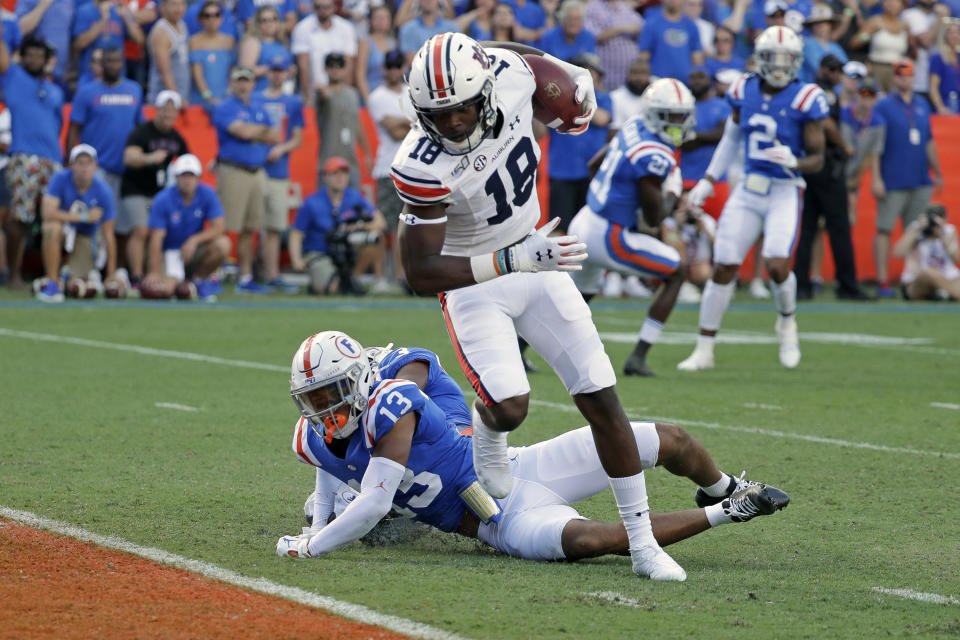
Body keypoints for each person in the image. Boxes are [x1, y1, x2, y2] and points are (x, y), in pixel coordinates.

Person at [392, 33, 686, 581]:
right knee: (509, 408)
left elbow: (512, 54)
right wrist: (512, 258)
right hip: (476, 280)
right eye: (439, 113)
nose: (453, 122)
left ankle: (643, 544)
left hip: (537, 257)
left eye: (461, 107)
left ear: (482, 88)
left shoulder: (507, 74)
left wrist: (571, 73)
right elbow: (419, 273)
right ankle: (488, 434)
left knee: (601, 398)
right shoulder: (419, 165)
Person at [275, 331, 791, 568]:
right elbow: (327, 462)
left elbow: (374, 500)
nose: (324, 410)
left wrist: (311, 545)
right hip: (493, 523)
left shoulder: (394, 400)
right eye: (313, 400)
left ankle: (721, 486)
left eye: (332, 394)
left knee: (665, 439)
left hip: (515, 467)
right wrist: (317, 522)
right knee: (594, 541)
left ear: (363, 379)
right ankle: (732, 510)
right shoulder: (313, 435)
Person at [680, 26, 828, 372]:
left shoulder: (806, 97)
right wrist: (707, 180)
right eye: (772, 59)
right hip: (748, 186)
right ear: (760, 60)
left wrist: (796, 160)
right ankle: (705, 348)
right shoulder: (742, 88)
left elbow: (818, 158)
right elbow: (731, 140)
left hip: (784, 189)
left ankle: (787, 323)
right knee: (725, 264)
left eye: (786, 59)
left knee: (777, 263)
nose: (779, 66)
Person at [568, 78, 695, 377]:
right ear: (655, 114)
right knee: (677, 272)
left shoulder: (634, 124)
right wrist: (674, 194)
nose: (677, 123)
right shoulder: (654, 156)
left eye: (681, 115)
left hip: (585, 218)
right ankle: (638, 356)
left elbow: (593, 167)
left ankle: (521, 350)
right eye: (670, 116)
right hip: (610, 235)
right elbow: (653, 220)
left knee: (577, 296)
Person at [793, 54, 872, 301]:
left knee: (808, 227)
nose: (836, 74)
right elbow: (826, 124)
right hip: (826, 164)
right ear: (823, 70)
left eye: (839, 70)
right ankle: (847, 284)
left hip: (813, 165)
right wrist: (844, 146)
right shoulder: (823, 93)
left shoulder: (810, 91)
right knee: (839, 226)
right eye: (833, 69)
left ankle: (801, 284)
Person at [872, 58, 944, 298]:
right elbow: (876, 145)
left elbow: (929, 141)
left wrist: (938, 172)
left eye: (908, 74)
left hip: (920, 177)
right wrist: (876, 178)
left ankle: (912, 278)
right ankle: (882, 280)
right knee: (884, 229)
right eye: (900, 74)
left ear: (914, 77)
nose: (904, 78)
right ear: (894, 77)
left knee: (917, 232)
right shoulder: (884, 106)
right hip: (893, 178)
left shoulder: (922, 104)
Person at [0, 35, 63, 292]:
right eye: (30, 54)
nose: (35, 59)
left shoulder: (55, 90)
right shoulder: (13, 77)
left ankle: (56, 278)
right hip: (24, 156)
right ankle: (14, 275)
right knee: (21, 218)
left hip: (54, 159)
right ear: (22, 57)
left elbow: (57, 124)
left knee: (57, 219)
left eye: (40, 55)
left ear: (47, 61)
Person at [213, 65, 281, 294]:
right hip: (234, 170)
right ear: (232, 83)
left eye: (247, 81)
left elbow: (275, 135)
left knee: (249, 228)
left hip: (257, 171)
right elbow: (242, 132)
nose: (243, 85)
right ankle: (214, 274)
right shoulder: (225, 107)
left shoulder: (258, 107)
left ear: (253, 84)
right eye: (239, 81)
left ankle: (245, 276)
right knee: (225, 226)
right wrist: (257, 132)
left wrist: (254, 131)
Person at [119, 90, 190, 288]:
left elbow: (187, 162)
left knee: (157, 232)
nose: (168, 114)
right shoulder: (143, 131)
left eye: (172, 110)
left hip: (160, 194)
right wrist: (149, 158)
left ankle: (155, 274)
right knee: (140, 230)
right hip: (136, 189)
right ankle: (136, 276)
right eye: (164, 109)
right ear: (157, 110)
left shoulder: (177, 138)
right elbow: (129, 157)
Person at [289, 157, 386, 295]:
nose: (340, 178)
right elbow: (297, 233)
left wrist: (359, 226)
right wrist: (297, 260)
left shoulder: (353, 197)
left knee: (376, 237)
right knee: (332, 289)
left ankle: (353, 278)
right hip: (320, 252)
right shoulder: (312, 202)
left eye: (344, 173)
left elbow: (380, 222)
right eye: (335, 173)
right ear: (326, 177)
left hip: (347, 249)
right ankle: (328, 281)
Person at [35, 145, 118, 302]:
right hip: (65, 230)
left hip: (86, 236)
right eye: (80, 162)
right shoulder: (60, 178)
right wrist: (84, 217)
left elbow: (109, 234)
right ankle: (53, 282)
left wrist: (111, 274)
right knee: (51, 227)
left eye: (88, 162)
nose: (84, 167)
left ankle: (65, 276)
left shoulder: (103, 191)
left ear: (95, 166)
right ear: (72, 165)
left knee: (78, 285)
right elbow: (47, 213)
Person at [144, 154, 230, 302]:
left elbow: (219, 227)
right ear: (176, 177)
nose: (187, 180)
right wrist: (154, 271)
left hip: (193, 250)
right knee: (166, 290)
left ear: (198, 178)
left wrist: (194, 240)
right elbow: (156, 238)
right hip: (169, 251)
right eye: (184, 176)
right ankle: (180, 283)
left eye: (191, 176)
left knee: (223, 244)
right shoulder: (163, 199)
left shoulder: (207, 194)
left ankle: (199, 280)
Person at [68, 47, 144, 209]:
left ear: (122, 64)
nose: (113, 65)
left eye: (117, 61)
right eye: (109, 61)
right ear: (101, 64)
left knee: (122, 221)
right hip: (96, 166)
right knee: (97, 215)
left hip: (126, 167)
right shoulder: (86, 92)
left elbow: (140, 127)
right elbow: (74, 128)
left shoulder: (134, 90)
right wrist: (69, 160)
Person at [255, 60, 304, 291]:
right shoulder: (256, 98)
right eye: (273, 71)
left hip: (277, 170)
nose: (277, 75)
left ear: (286, 74)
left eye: (280, 71)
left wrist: (281, 149)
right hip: (255, 168)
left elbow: (297, 137)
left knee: (274, 225)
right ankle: (251, 272)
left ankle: (271, 273)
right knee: (251, 223)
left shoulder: (292, 102)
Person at [368, 49, 413, 291]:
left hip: (410, 168)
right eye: (391, 66)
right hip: (387, 168)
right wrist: (412, 121)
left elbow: (423, 123)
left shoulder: (411, 93)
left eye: (397, 66)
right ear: (385, 69)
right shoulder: (378, 96)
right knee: (382, 225)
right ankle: (381, 277)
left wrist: (402, 120)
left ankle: (399, 277)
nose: (394, 71)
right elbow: (394, 131)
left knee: (404, 227)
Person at [316, 53, 371, 190]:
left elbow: (357, 124)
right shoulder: (323, 92)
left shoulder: (352, 94)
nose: (335, 69)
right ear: (326, 69)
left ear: (344, 69)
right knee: (327, 207)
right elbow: (324, 96)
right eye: (331, 66)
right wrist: (321, 91)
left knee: (352, 208)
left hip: (350, 162)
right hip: (328, 161)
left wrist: (367, 153)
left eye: (339, 66)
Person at [291, 0, 358, 104]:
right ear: (313, 8)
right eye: (319, 7)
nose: (323, 10)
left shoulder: (346, 28)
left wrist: (343, 95)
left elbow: (348, 66)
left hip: (338, 91)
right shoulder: (302, 28)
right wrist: (308, 97)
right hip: (314, 91)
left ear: (334, 7)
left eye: (326, 7)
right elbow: (303, 67)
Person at [893, 204, 960, 301]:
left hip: (949, 277)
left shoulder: (948, 231)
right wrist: (917, 229)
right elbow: (898, 253)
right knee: (930, 273)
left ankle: (942, 293)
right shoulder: (916, 228)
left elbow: (957, 258)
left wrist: (942, 236)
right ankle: (951, 294)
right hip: (919, 279)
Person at [72, 0, 145, 83]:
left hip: (116, 76)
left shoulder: (119, 10)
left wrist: (125, 17)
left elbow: (139, 40)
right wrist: (103, 20)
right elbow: (80, 43)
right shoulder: (84, 11)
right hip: (91, 76)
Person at [637, 0, 704, 82]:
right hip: (658, 82)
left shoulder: (691, 25)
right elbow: (644, 56)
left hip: (684, 83)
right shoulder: (651, 24)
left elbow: (697, 57)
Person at [582, 0, 643, 91]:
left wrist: (613, 30)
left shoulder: (624, 7)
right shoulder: (591, 7)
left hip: (627, 78)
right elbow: (594, 37)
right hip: (606, 76)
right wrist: (621, 28)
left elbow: (642, 29)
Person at [188, 0, 236, 111]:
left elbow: (232, 70)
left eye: (216, 15)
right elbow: (197, 73)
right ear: (201, 19)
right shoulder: (195, 41)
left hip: (224, 97)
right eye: (207, 16)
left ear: (222, 18)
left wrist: (230, 92)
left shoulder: (229, 41)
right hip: (200, 99)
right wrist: (207, 96)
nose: (212, 19)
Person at [14, 0, 74, 85]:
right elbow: (20, 29)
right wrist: (42, 6)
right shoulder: (27, 1)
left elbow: (73, 36)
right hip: (33, 71)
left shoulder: (69, 2)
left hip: (61, 72)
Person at [237, 5, 289, 92]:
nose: (269, 23)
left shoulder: (282, 43)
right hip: (259, 95)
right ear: (257, 23)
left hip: (280, 95)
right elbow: (244, 73)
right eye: (264, 20)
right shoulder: (253, 42)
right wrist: (273, 69)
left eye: (273, 19)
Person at [147, 0, 191, 102]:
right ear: (163, 8)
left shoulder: (181, 25)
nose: (179, 9)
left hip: (181, 94)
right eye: (174, 5)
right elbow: (164, 70)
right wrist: (177, 97)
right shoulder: (161, 31)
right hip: (165, 100)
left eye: (181, 4)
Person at [355, 6, 396, 104]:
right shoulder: (365, 43)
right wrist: (369, 101)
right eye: (378, 18)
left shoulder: (393, 43)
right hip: (371, 93)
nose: (382, 21)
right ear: (371, 21)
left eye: (385, 17)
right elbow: (360, 75)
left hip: (390, 96)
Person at [799, 4, 847, 84]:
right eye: (817, 23)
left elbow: (847, 70)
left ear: (830, 25)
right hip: (812, 88)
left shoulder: (835, 47)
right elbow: (821, 71)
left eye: (824, 22)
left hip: (836, 90)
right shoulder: (807, 44)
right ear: (811, 26)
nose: (821, 25)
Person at [929, 20, 960, 115]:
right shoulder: (938, 58)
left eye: (957, 32)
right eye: (951, 32)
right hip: (945, 104)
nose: (954, 35)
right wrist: (940, 107)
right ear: (944, 35)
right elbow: (933, 87)